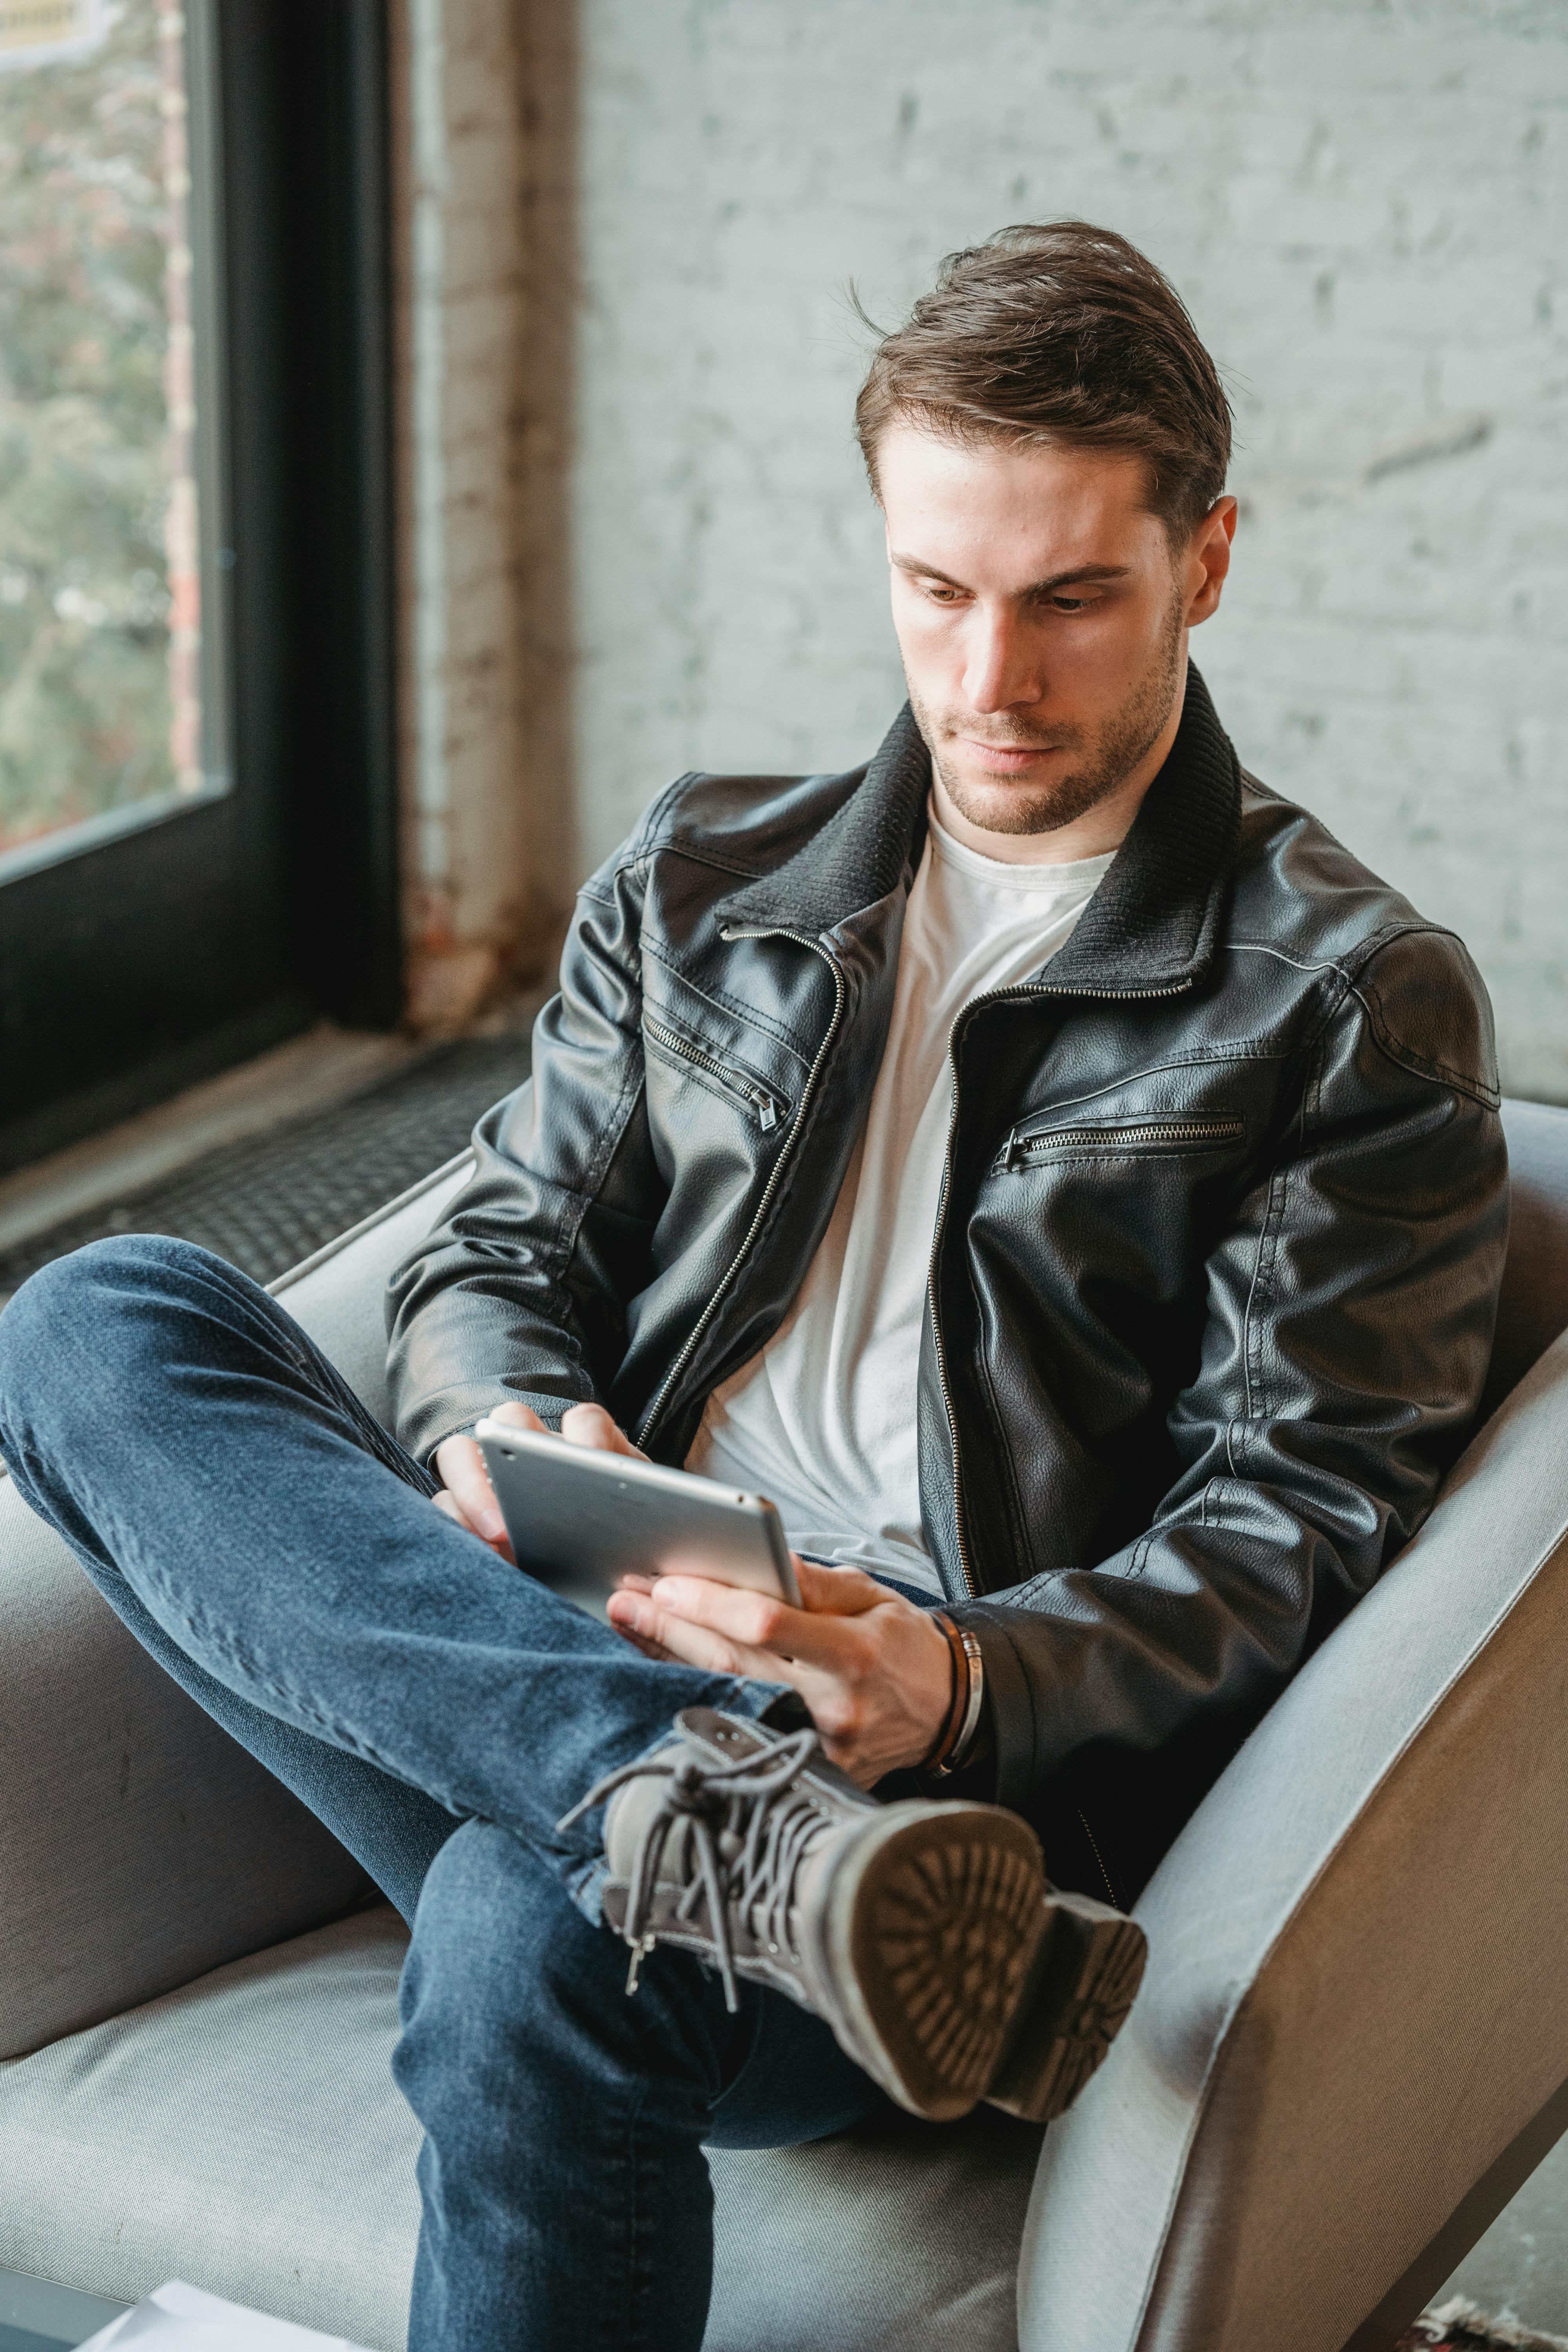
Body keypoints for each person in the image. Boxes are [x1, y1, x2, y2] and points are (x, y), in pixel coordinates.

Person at [0, 222, 1508, 2352]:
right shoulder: (706, 876)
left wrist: (958, 1679)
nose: (994, 681)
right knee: (92, 1319)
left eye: (1074, 597)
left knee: (536, 1924)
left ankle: (738, 1838)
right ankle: (687, 1805)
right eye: (939, 593)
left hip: (936, 1819)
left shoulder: (1345, 1006)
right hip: (557, 1636)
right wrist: (510, 1424)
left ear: (1209, 559)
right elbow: (502, 1249)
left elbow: (1302, 1524)